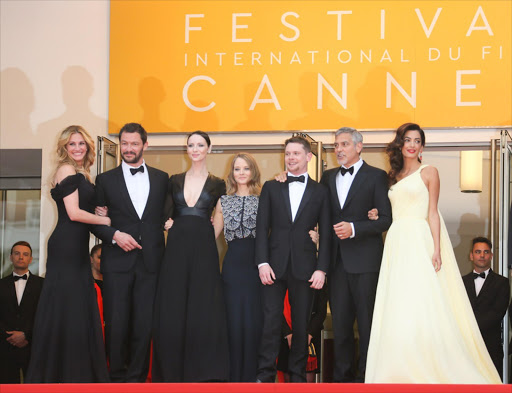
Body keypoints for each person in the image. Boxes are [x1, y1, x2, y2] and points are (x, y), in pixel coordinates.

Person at [365, 122, 501, 383]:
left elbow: (432, 212)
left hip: (419, 237)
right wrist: (375, 214)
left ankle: (428, 366)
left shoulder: (429, 172)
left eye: (417, 140)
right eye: (408, 140)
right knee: (398, 301)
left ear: (422, 147)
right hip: (396, 240)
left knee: (421, 299)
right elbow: (392, 210)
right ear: (400, 144)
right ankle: (397, 369)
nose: (412, 145)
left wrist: (437, 248)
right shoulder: (393, 176)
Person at [25, 125, 110, 383]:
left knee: (76, 308)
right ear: (64, 147)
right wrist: (106, 222)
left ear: (87, 146)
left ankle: (73, 373)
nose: (77, 148)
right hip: (65, 246)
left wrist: (100, 215)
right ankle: (58, 375)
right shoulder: (66, 169)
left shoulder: (83, 174)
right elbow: (73, 213)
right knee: (67, 307)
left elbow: (86, 213)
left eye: (81, 143)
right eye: (72, 144)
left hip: (76, 246)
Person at [93, 122, 168, 382]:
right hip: (117, 263)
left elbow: (168, 216)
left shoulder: (162, 178)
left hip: (151, 263)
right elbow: (97, 223)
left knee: (144, 326)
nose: (128, 148)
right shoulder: (104, 180)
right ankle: (116, 380)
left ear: (145, 145)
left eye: (134, 143)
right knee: (116, 325)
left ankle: (136, 381)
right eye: (124, 143)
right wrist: (114, 235)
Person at [152, 130, 229, 382]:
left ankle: (203, 372)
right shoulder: (173, 180)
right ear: (187, 149)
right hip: (176, 247)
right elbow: (163, 212)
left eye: (200, 144)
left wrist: (210, 235)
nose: (195, 149)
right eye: (191, 145)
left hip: (204, 247)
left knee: (203, 304)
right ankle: (173, 372)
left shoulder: (218, 183)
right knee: (174, 303)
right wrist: (166, 223)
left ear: (208, 148)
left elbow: (219, 215)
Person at [255, 136, 331, 383]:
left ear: (309, 157)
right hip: (273, 266)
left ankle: (297, 378)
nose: (291, 158)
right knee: (269, 323)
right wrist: (262, 262)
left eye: (296, 153)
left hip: (306, 267)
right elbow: (262, 227)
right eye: (288, 153)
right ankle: (265, 376)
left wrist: (322, 269)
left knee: (300, 326)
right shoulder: (271, 186)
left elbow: (327, 233)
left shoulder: (321, 191)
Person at [319, 127, 392, 382]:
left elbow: (385, 219)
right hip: (337, 264)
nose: (338, 149)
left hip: (366, 263)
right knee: (340, 328)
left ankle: (367, 380)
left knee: (368, 327)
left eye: (344, 144)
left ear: (359, 147)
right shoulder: (327, 177)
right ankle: (341, 382)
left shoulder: (376, 176)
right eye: (336, 145)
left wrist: (354, 228)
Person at [211, 152, 262, 382]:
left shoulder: (265, 199)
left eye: (246, 168)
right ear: (232, 173)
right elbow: (210, 236)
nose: (241, 173)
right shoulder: (223, 201)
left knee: (253, 321)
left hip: (257, 266)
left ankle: (253, 377)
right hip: (232, 266)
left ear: (253, 171)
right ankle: (233, 379)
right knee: (232, 320)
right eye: (237, 169)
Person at [462, 237, 510, 379]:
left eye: (485, 252)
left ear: (491, 255)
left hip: (490, 348)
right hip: (465, 348)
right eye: (478, 252)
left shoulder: (502, 283)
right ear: (471, 255)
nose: (482, 255)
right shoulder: (460, 282)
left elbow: (497, 313)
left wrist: (470, 328)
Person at [0, 241, 44, 383]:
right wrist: (9, 336)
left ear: (31, 259)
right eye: (17, 253)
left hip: (33, 347)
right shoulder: (1, 284)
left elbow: (44, 315)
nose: (21, 257)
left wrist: (26, 335)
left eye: (25, 254)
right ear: (11, 257)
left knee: (35, 388)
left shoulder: (43, 285)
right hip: (5, 348)